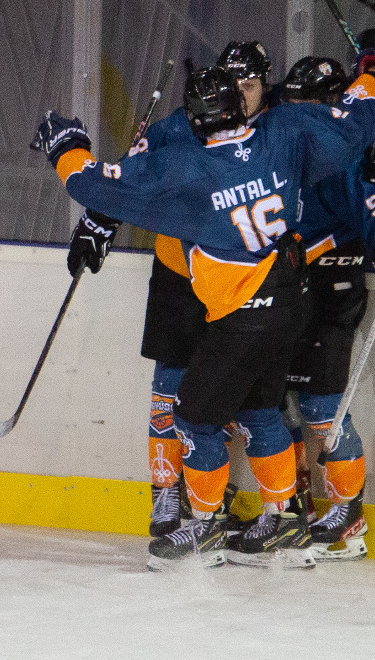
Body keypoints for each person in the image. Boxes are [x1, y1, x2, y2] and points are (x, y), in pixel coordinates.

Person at [33, 49, 375, 568]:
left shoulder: (191, 168)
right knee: (257, 409)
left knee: (194, 419)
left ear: (196, 119)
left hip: (241, 314)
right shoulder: (285, 134)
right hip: (290, 300)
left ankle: (202, 529)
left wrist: (65, 146)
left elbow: (95, 183)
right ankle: (286, 522)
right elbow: (358, 122)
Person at [64, 41, 276, 541]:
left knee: (227, 392)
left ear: (267, 82)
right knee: (169, 386)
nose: (240, 95)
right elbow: (130, 171)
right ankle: (164, 491)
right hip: (178, 274)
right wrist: (100, 217)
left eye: (250, 85)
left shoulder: (278, 129)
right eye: (233, 83)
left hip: (243, 281)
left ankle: (212, 495)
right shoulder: (184, 121)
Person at [275, 55, 375, 561]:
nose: (296, 113)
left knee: (320, 408)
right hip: (290, 285)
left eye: (305, 103)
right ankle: (295, 506)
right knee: (275, 402)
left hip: (334, 285)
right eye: (290, 103)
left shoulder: (354, 155)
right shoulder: (289, 145)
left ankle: (348, 514)